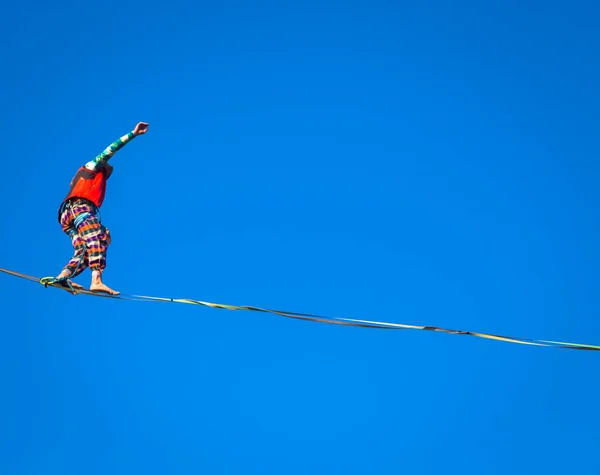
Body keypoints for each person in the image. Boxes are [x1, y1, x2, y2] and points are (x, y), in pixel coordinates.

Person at [52, 122, 149, 295]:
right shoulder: (91, 167)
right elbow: (109, 150)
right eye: (107, 171)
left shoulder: (81, 179)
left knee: (85, 248)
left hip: (68, 217)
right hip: (79, 208)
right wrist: (133, 134)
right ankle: (96, 280)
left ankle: (63, 276)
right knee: (97, 237)